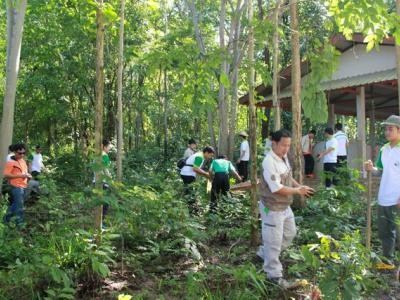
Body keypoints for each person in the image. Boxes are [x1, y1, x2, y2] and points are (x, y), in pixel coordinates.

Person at [258, 129, 314, 288]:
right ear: (274, 143)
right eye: (283, 145)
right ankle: (273, 275)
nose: (286, 149)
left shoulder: (283, 158)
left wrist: (299, 186)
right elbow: (276, 188)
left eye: (288, 146)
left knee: (290, 233)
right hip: (272, 207)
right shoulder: (268, 161)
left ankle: (265, 253)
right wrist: (298, 191)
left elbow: (288, 178)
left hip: (285, 206)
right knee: (274, 242)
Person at [365, 115, 400, 263]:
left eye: (390, 129)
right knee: (385, 232)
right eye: (386, 129)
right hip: (383, 197)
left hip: (397, 198)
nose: (387, 132)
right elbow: (380, 170)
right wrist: (372, 169)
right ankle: (388, 261)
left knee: (397, 231)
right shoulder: (384, 149)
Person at [3, 143, 31, 228]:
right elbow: (6, 175)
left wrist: (28, 175)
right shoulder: (10, 162)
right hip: (16, 187)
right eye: (20, 153)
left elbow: (24, 172)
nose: (22, 155)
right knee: (19, 207)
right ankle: (20, 225)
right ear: (15, 152)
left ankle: (5, 220)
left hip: (23, 186)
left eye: (23, 153)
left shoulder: (22, 161)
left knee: (16, 204)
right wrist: (21, 176)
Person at [180, 146, 215, 213]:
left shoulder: (199, 154)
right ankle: (193, 211)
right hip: (188, 174)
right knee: (190, 193)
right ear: (206, 153)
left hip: (186, 174)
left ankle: (193, 209)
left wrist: (205, 175)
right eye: (210, 155)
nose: (210, 157)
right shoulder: (200, 157)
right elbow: (195, 169)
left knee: (189, 191)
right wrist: (206, 174)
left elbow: (196, 169)